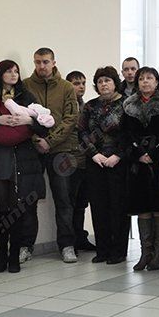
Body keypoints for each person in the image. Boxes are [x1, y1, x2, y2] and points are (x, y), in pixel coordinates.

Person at [0, 60, 48, 273]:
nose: (13, 75)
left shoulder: (26, 96)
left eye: (16, 71)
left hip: (23, 157)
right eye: (8, 71)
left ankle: (15, 255)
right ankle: (1, 255)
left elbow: (45, 126)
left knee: (19, 208)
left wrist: (28, 121)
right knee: (2, 208)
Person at [20, 48, 80, 264]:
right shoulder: (26, 85)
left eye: (45, 62)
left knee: (64, 199)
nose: (41, 66)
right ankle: (26, 246)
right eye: (37, 62)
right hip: (33, 150)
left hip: (61, 150)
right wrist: (37, 140)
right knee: (29, 198)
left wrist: (50, 140)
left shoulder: (66, 87)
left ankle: (67, 246)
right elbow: (21, 114)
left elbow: (71, 118)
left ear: (54, 62)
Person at [123, 67, 159, 271]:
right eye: (141, 79)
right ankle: (145, 253)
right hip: (138, 164)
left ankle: (158, 253)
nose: (145, 82)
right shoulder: (128, 106)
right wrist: (138, 154)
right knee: (142, 208)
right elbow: (126, 135)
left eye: (150, 78)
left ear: (157, 82)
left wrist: (153, 153)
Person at [78, 66, 130, 264]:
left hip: (118, 162)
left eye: (107, 80)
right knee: (99, 206)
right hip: (96, 162)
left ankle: (118, 251)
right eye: (100, 81)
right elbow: (81, 132)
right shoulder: (90, 106)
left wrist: (118, 155)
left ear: (115, 82)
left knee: (118, 206)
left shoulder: (126, 104)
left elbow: (129, 134)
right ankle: (103, 250)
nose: (103, 84)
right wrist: (94, 154)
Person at [66, 71, 96, 252]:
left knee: (81, 203)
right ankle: (69, 241)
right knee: (69, 203)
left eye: (83, 83)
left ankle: (80, 237)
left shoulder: (87, 107)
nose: (81, 86)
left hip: (87, 161)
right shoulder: (66, 106)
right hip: (70, 161)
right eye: (76, 83)